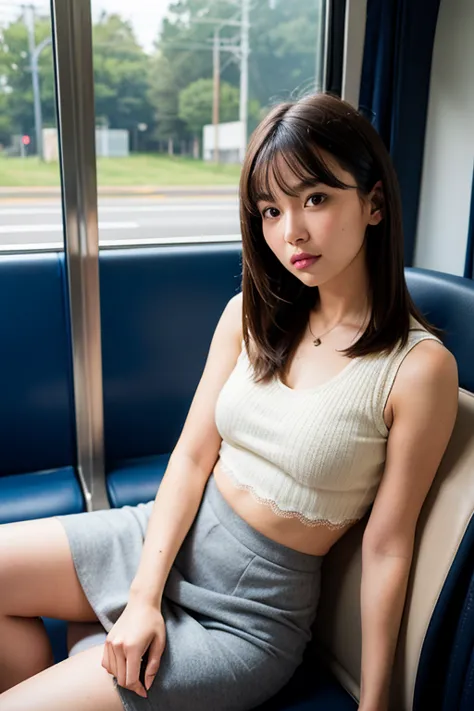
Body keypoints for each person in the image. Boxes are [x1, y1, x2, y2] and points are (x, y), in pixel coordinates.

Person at [0, 93, 458, 711]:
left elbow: (387, 546)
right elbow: (191, 459)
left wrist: (377, 704)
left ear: (375, 203)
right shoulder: (250, 314)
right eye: (270, 210)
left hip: (246, 618)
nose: (290, 230)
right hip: (160, 541)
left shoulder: (417, 369)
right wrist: (143, 596)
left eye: (315, 199)